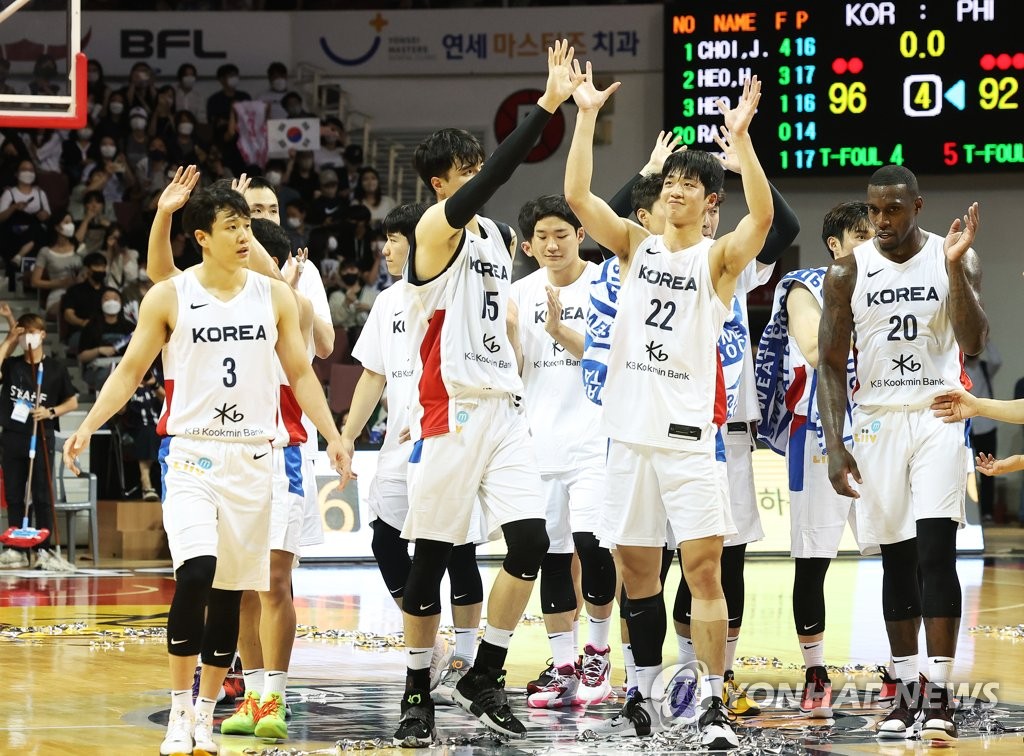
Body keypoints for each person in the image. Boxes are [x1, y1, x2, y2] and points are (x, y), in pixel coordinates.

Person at [339, 41, 582, 747]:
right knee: (432, 559)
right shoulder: (431, 229)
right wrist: (544, 108)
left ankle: (484, 672)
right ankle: (419, 686)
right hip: (446, 411)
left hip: (502, 406)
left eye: (478, 163)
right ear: (441, 181)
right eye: (467, 169)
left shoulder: (500, 236)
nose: (479, 175)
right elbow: (499, 174)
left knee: (532, 543)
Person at [62, 181, 344, 756]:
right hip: (190, 452)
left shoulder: (275, 297)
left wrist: (336, 435)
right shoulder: (169, 295)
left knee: (230, 591)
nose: (245, 236)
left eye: (247, 225)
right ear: (202, 238)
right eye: (233, 227)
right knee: (195, 574)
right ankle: (178, 710)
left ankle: (208, 716)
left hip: (256, 457)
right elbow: (128, 371)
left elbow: (302, 373)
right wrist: (89, 423)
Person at [565, 67, 771, 750]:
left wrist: (741, 143)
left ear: (709, 198)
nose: (676, 189)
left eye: (689, 183)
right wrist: (587, 115)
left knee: (706, 570)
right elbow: (576, 195)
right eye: (670, 183)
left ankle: (712, 701)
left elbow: (764, 218)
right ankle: (644, 696)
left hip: (688, 441)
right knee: (636, 576)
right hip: (627, 440)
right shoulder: (632, 245)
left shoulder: (718, 260)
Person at [817, 165, 987, 744]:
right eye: (873, 211)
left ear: (917, 207)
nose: (882, 222)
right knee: (895, 559)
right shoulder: (845, 273)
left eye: (892, 210)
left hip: (939, 414)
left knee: (936, 551)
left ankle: (939, 697)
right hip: (877, 422)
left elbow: (974, 342)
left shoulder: (953, 255)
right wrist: (835, 445)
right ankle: (906, 693)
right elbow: (831, 364)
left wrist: (954, 273)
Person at [342, 202, 486, 706]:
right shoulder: (385, 304)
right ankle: (433, 639)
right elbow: (371, 376)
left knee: (457, 548)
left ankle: (466, 661)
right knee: (385, 541)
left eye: (395, 240)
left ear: (420, 244)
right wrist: (345, 436)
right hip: (397, 447)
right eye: (385, 241)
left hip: (448, 435)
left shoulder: (457, 293)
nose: (386, 249)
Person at [755, 201, 879, 718]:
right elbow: (811, 347)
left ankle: (901, 670)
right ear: (836, 244)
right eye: (862, 234)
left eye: (880, 232)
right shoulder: (805, 284)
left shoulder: (894, 283)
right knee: (812, 561)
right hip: (819, 431)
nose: (874, 241)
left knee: (896, 553)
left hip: (879, 429)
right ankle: (815, 673)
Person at [508, 195, 616, 708]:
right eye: (542, 238)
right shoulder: (518, 294)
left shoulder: (605, 285)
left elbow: (609, 358)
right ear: (528, 246)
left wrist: (557, 330)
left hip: (596, 441)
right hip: (539, 445)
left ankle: (598, 654)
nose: (552, 245)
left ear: (581, 234)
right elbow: (511, 369)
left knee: (593, 550)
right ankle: (564, 664)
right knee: (548, 557)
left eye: (562, 234)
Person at [0, 307, 79, 569]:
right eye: (23, 335)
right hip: (12, 436)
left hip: (41, 436)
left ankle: (44, 549)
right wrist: (10, 339)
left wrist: (50, 411)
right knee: (13, 494)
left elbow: (73, 401)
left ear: (43, 335)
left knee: (42, 494)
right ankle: (15, 549)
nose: (27, 339)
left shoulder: (54, 368)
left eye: (31, 333)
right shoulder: (11, 365)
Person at [963, 345, 1001, 522]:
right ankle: (966, 511)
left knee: (988, 470)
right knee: (964, 470)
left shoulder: (986, 367)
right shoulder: (959, 368)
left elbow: (997, 360)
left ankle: (986, 512)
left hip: (986, 426)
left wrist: (984, 339)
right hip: (966, 425)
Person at [0, 160, 51, 292]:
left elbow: (48, 214)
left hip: (35, 234)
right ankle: (18, 257)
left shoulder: (40, 193)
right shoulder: (9, 193)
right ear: (17, 174)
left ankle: (20, 256)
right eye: (24, 169)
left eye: (31, 170)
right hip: (14, 234)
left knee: (37, 228)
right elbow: (1, 217)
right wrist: (14, 207)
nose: (28, 173)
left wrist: (43, 215)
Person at [117, 368, 164, 501]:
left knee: (156, 432)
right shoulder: (128, 384)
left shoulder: (157, 381)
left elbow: (169, 402)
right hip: (135, 429)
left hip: (159, 426)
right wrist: (130, 387)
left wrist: (154, 384)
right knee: (148, 432)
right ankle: (146, 483)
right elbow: (120, 410)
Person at [77, 287, 134, 394]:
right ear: (100, 303)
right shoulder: (91, 327)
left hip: (124, 367)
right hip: (97, 369)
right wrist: (99, 350)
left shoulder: (130, 327)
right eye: (107, 299)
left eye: (115, 299)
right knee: (109, 375)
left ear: (121, 302)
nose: (111, 302)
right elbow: (82, 357)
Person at [31, 215, 84, 320]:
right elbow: (35, 282)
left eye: (71, 222)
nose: (71, 225)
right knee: (68, 305)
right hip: (58, 295)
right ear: (57, 227)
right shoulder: (45, 252)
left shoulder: (81, 249)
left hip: (80, 292)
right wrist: (61, 283)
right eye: (66, 222)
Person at [62, 252, 109, 353]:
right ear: (87, 269)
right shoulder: (74, 291)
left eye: (103, 266)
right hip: (81, 332)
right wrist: (84, 323)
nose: (100, 270)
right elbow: (68, 315)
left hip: (107, 331)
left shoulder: (110, 292)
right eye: (97, 266)